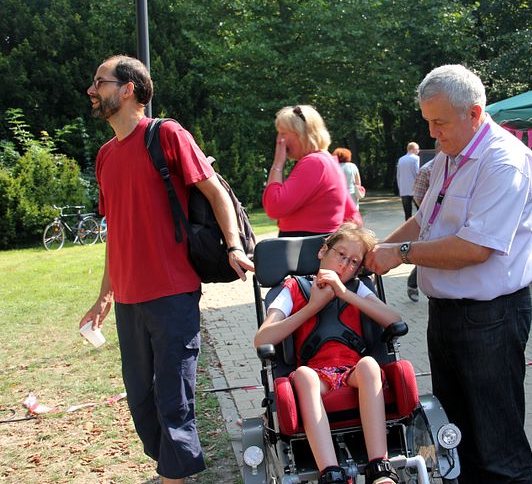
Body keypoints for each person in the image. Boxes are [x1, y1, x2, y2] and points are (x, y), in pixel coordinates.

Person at [79, 55, 254, 484]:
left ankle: (175, 477)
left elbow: (216, 194)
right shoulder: (105, 156)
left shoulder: (167, 134)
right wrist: (105, 295)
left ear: (128, 89)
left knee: (173, 400)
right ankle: (172, 469)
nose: (91, 90)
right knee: (141, 400)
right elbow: (116, 232)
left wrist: (233, 244)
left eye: (99, 82)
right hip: (130, 299)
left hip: (173, 292)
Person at [365, 64, 532, 484]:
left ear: (474, 113)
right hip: (447, 313)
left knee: (496, 443)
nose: (432, 133)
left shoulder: (505, 161)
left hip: (491, 318)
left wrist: (400, 254)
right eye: (427, 122)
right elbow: (425, 220)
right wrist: (374, 251)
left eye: (439, 122)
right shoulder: (450, 156)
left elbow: (474, 248)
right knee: (453, 435)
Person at [254, 223, 402, 484]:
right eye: (341, 254)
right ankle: (330, 472)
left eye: (354, 262)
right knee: (304, 376)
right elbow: (263, 338)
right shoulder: (294, 288)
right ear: (323, 251)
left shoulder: (357, 288)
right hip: (315, 375)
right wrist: (313, 307)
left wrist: (344, 293)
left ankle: (379, 466)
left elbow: (394, 320)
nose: (345, 264)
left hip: (352, 372)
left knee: (369, 364)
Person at [263, 105, 361, 237]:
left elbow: (274, 207)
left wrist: (277, 164)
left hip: (302, 250)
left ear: (301, 134)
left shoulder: (314, 163)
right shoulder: (328, 161)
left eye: (283, 133)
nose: (279, 140)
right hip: (317, 246)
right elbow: (352, 216)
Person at [405, 142, 439, 302]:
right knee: (429, 254)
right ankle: (413, 283)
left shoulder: (461, 167)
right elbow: (418, 196)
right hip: (430, 221)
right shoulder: (427, 169)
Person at [396, 142, 420, 220]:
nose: (418, 151)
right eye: (417, 149)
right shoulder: (416, 159)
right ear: (412, 149)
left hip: (404, 190)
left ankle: (408, 230)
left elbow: (398, 175)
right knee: (420, 211)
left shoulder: (401, 160)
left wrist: (400, 188)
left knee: (407, 213)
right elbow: (418, 172)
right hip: (415, 189)